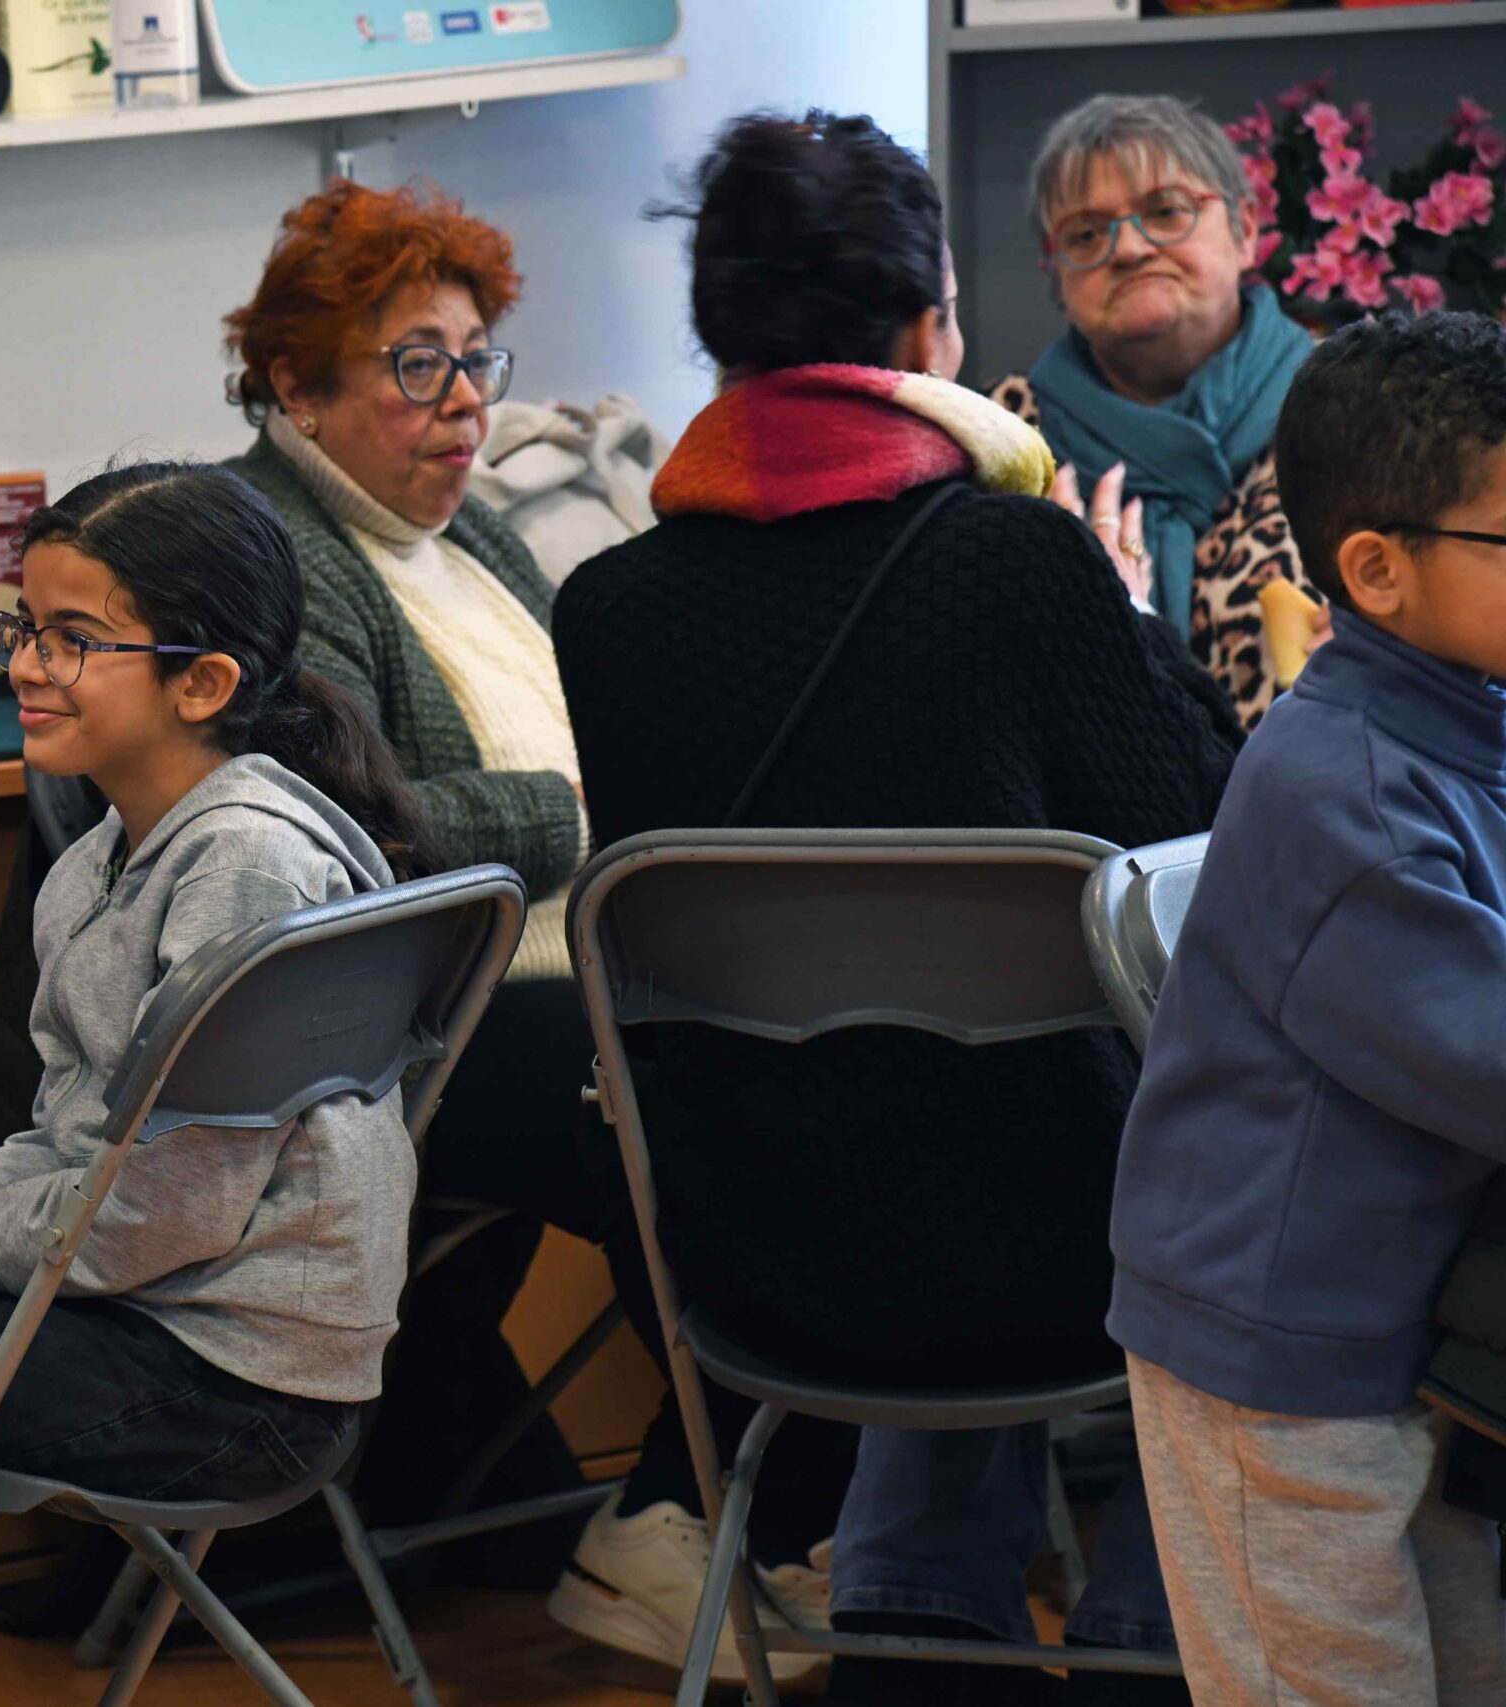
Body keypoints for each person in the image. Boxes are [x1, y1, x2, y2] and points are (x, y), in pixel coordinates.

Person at [556, 112, 1245, 1704]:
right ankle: (1153, 1632)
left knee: (928, 1087)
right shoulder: (1015, 561)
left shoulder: (608, 610)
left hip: (755, 1252)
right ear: (930, 325)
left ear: (720, 335)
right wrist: (1127, 613)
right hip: (1066, 1254)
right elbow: (1208, 843)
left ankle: (916, 1605)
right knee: (1216, 1100)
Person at [216, 175, 804, 1637]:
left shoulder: (469, 537)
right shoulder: (269, 550)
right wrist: (579, 813)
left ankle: (758, 1503)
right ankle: (686, 1515)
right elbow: (350, 832)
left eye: (478, 358)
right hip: (404, 1023)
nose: (468, 399)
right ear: (296, 385)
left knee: (804, 1055)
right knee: (709, 1103)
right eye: (418, 363)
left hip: (565, 975)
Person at [0, 462, 423, 1666]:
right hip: (144, 1310)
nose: (23, 665)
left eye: (72, 640)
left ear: (202, 683)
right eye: (24, 627)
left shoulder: (244, 868)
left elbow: (171, 1213)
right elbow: (73, 1141)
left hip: (233, 1381)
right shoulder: (99, 858)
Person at [1110, 310, 1506, 1702]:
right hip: (1280, 1361)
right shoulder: (1354, 801)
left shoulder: (1467, 718)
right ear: (1378, 569)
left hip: (1416, 1322)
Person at [993, 94, 1328, 727]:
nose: (1127, 249)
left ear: (1246, 229)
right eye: (1086, 233)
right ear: (1054, 270)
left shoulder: (1360, 411)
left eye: (1166, 211)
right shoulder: (1000, 441)